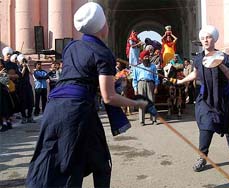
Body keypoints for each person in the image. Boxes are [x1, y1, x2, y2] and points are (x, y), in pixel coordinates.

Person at [26, 2, 148, 188]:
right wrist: (137, 103)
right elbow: (109, 97)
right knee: (70, 166)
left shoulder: (71, 47)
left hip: (56, 107)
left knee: (85, 161)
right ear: (102, 26)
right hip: (77, 111)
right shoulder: (103, 53)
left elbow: (81, 75)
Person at [176, 25, 229, 172]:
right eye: (203, 38)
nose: (205, 40)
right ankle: (202, 157)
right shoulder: (198, 58)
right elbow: (195, 74)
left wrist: (222, 66)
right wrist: (181, 81)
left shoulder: (224, 57)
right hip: (206, 98)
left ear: (214, 39)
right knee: (206, 125)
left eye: (208, 37)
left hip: (223, 97)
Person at [132, 50, 159, 125]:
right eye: (145, 57)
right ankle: (142, 120)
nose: (147, 58)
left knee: (151, 101)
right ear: (142, 58)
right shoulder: (137, 67)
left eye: (148, 57)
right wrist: (135, 89)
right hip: (140, 84)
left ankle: (154, 119)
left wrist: (156, 87)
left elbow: (156, 77)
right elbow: (134, 79)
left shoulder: (153, 66)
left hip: (150, 84)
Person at [17, 54, 36, 123]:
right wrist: (24, 67)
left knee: (30, 101)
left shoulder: (26, 66)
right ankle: (24, 117)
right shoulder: (18, 67)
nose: (23, 61)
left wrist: (27, 66)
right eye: (22, 60)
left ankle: (30, 117)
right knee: (23, 102)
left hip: (28, 85)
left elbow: (31, 73)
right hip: (22, 86)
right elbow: (21, 75)